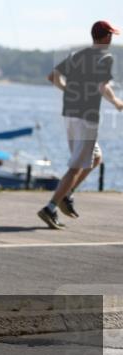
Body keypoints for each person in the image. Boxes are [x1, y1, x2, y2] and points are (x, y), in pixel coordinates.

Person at [38, 20, 123, 229]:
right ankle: (50, 207)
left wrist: (67, 89)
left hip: (69, 115)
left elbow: (52, 77)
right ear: (105, 37)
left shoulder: (78, 55)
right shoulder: (105, 57)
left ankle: (67, 195)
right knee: (76, 167)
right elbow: (103, 87)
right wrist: (117, 102)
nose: (111, 39)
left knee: (95, 157)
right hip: (87, 118)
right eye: (111, 35)